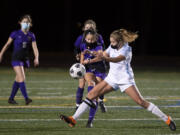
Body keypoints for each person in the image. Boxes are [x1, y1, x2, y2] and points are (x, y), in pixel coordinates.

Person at [60, 29, 176, 131]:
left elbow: (115, 59)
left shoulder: (126, 49)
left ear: (120, 41)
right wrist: (90, 56)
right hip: (112, 78)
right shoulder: (112, 46)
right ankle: (73, 119)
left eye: (113, 42)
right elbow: (102, 54)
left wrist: (103, 57)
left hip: (125, 80)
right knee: (91, 94)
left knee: (141, 102)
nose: (111, 44)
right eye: (110, 42)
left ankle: (167, 119)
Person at [0, 14, 39, 105]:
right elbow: (7, 45)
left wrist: (36, 58)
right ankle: (26, 98)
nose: (26, 23)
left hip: (25, 59)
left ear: (30, 24)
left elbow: (35, 48)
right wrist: (1, 53)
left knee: (18, 78)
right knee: (22, 78)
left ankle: (11, 98)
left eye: (27, 22)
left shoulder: (31, 35)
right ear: (20, 23)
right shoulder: (15, 33)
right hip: (16, 58)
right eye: (24, 22)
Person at [74, 19, 107, 113]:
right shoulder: (81, 38)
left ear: (94, 29)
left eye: (91, 28)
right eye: (87, 27)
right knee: (81, 84)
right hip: (84, 63)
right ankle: (78, 105)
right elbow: (77, 50)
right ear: (84, 28)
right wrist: (78, 57)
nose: (89, 29)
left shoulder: (98, 37)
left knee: (99, 84)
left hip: (96, 64)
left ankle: (100, 101)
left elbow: (102, 50)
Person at [79, 29, 106, 128]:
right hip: (89, 69)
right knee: (90, 83)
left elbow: (100, 56)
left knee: (97, 94)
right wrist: (81, 63)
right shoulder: (82, 44)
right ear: (85, 38)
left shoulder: (98, 45)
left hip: (100, 69)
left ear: (95, 38)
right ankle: (92, 101)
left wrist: (89, 58)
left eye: (91, 40)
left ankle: (90, 120)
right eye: (88, 39)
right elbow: (82, 53)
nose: (89, 41)